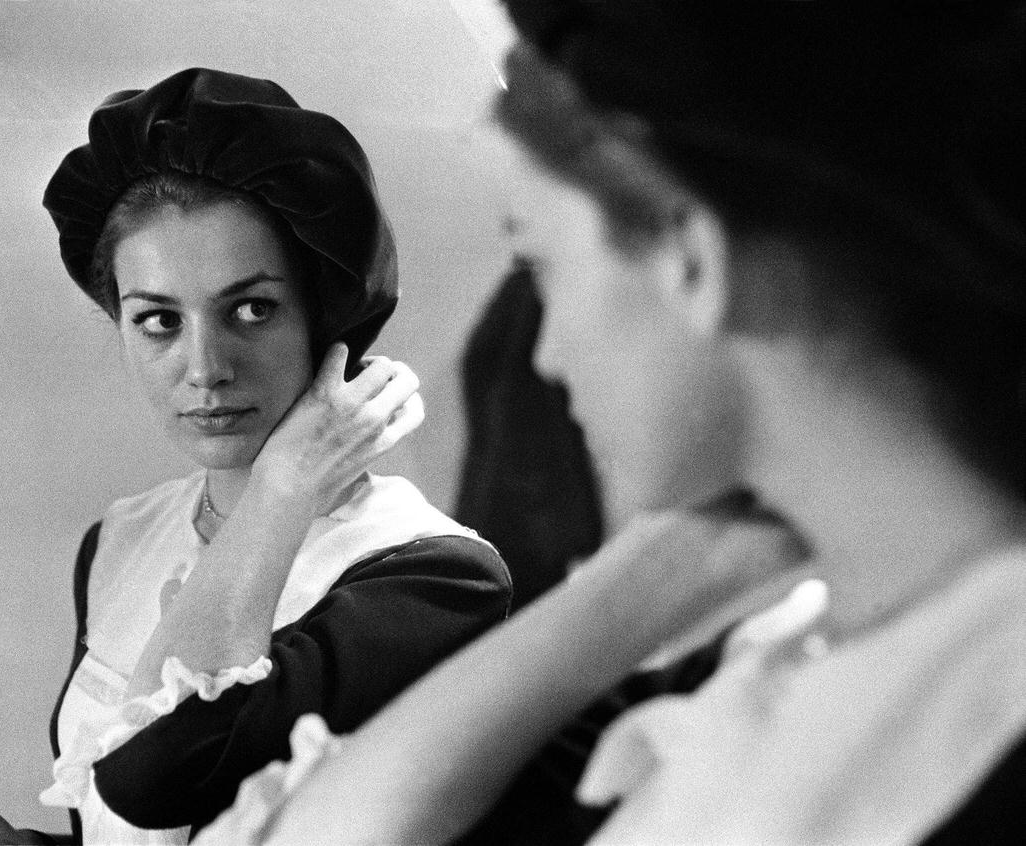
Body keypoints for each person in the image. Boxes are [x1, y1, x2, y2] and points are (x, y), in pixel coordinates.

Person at [194, 2, 1026, 844]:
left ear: (689, 259)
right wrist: (643, 583)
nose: (545, 355)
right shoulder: (777, 665)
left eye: (538, 261)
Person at [0, 67, 511, 846]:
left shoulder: (430, 579)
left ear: (326, 317)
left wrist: (284, 486)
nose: (204, 367)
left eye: (252, 309)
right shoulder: (123, 539)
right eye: (159, 320)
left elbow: (149, 777)